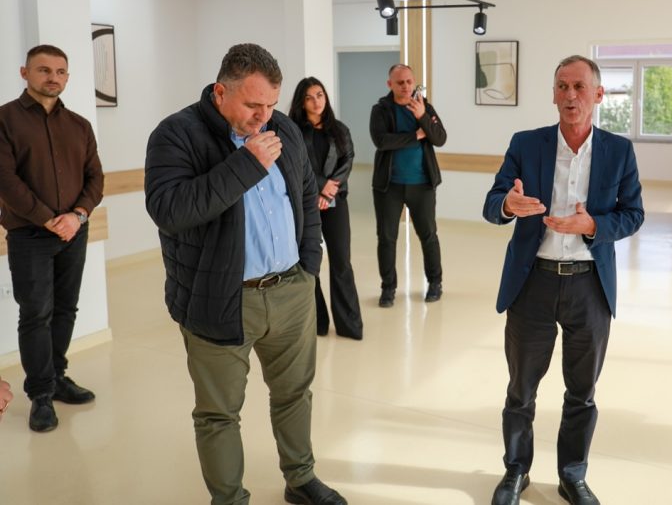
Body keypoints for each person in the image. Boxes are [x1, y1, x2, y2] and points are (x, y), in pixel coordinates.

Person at [145, 44, 346, 505]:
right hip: (219, 297)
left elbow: (306, 197)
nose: (264, 116)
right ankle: (230, 499)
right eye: (253, 104)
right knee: (219, 414)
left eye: (271, 104)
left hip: (291, 290)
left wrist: (308, 269)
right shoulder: (176, 134)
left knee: (295, 393)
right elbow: (170, 210)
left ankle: (301, 479)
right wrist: (246, 164)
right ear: (221, 92)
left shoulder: (284, 128)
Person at [483, 55, 644, 505]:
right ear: (553, 94)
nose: (570, 96)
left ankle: (572, 475)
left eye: (579, 87)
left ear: (598, 95)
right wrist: (508, 205)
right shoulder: (526, 143)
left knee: (582, 392)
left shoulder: (618, 151)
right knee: (521, 390)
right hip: (532, 283)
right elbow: (493, 201)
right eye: (562, 87)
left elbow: (633, 214)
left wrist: (593, 225)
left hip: (589, 286)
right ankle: (516, 471)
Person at [0, 44, 104, 433]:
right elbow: (6, 180)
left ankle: (58, 376)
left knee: (65, 308)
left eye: (60, 71)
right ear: (25, 73)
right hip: (29, 233)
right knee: (36, 312)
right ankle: (41, 394)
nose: (53, 78)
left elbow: (96, 178)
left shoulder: (79, 125)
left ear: (67, 77)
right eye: (44, 70)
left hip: (74, 231)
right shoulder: (5, 120)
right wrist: (48, 219)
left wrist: (77, 216)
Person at [288, 77, 362, 340]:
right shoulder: (293, 131)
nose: (316, 101)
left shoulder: (339, 129)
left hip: (335, 200)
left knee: (341, 262)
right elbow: (295, 165)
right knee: (309, 262)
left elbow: (348, 159)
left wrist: (330, 189)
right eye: (309, 97)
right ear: (301, 102)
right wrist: (320, 187)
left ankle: (349, 325)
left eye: (319, 95)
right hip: (305, 202)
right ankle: (317, 322)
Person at [369, 63, 447, 307]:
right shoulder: (380, 110)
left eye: (409, 82)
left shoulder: (425, 107)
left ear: (414, 83)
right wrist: (416, 135)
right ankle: (388, 288)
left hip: (422, 185)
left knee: (428, 235)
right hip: (388, 186)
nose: (405, 86)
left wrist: (422, 116)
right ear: (390, 84)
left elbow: (440, 138)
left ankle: (435, 283)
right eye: (399, 82)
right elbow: (382, 141)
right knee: (386, 238)